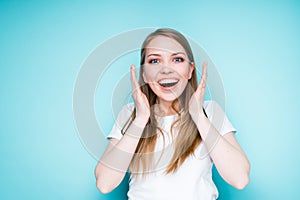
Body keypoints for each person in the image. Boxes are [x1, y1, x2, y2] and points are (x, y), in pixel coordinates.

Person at [94, 28, 250, 200]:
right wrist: (140, 119)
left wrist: (198, 115)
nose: (166, 70)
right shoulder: (130, 114)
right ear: (144, 74)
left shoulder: (210, 111)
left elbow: (240, 179)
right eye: (154, 61)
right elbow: (104, 183)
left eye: (177, 59)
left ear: (191, 70)